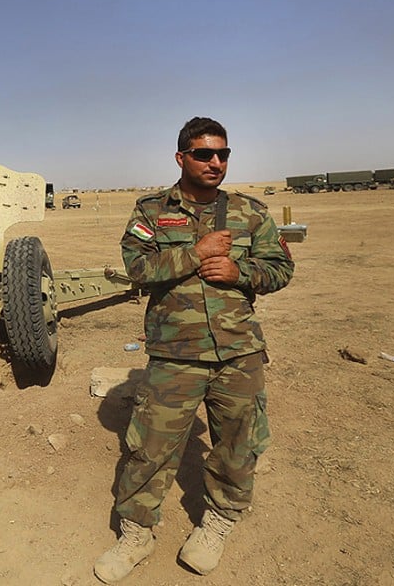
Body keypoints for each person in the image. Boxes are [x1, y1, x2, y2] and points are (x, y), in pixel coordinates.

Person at [94, 117, 294, 583]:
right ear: (181, 157)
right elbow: (137, 268)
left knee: (238, 444)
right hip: (174, 354)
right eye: (205, 154)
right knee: (151, 448)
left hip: (239, 352)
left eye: (223, 154)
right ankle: (136, 534)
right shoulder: (151, 211)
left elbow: (281, 268)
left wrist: (240, 273)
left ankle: (218, 522)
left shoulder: (250, 211)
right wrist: (197, 253)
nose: (216, 162)